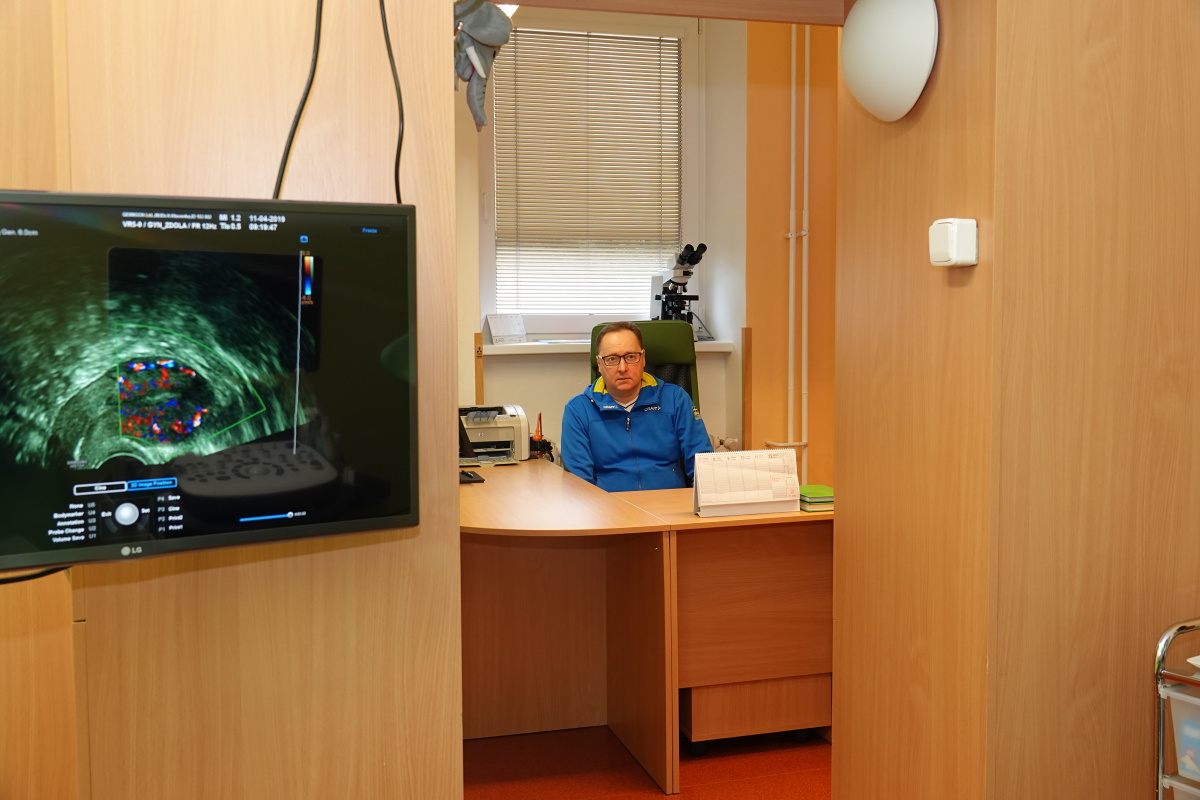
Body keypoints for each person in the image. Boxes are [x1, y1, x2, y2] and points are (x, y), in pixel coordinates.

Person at [561, 321, 712, 492]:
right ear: (600, 364)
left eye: (631, 357)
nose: (622, 368)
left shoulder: (676, 399)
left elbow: (702, 463)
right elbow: (580, 485)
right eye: (612, 359)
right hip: (609, 504)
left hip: (669, 501)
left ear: (643, 358)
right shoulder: (578, 410)